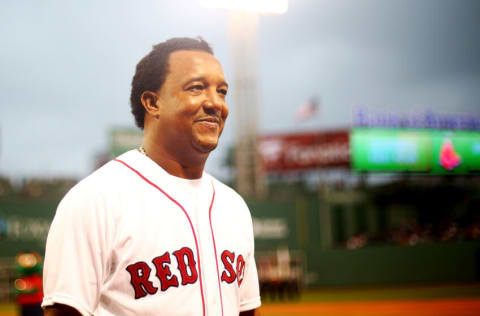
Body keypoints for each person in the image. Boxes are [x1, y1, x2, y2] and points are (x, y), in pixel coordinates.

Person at [42, 37, 261, 316]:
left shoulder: (234, 207)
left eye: (222, 91)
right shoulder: (96, 200)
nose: (215, 103)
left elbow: (247, 311)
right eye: (196, 88)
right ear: (152, 102)